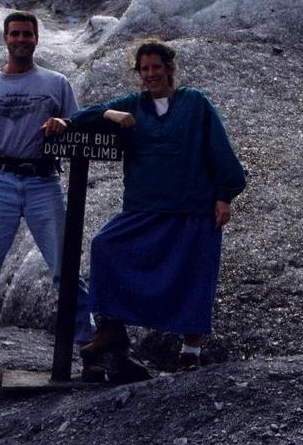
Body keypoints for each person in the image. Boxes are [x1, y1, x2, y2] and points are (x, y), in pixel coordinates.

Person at [71, 39, 246, 376]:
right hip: (144, 209)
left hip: (192, 208)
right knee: (104, 245)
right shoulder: (133, 106)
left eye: (156, 67)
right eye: (144, 68)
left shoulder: (196, 104)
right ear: (138, 73)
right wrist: (109, 113)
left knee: (195, 276)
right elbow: (80, 118)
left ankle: (190, 351)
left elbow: (219, 150)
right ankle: (111, 328)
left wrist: (225, 194)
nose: (150, 74)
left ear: (169, 68)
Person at [0, 10, 94, 395]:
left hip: (42, 181)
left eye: (27, 34)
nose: (20, 39)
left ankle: (89, 346)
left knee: (65, 270)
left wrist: (65, 125)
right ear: (5, 38)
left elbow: (80, 126)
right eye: (14, 33)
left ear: (37, 38)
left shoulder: (57, 83)